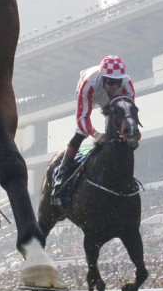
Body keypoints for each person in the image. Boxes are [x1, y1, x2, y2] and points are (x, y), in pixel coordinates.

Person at [52, 55, 137, 203]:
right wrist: (96, 134)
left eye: (117, 82)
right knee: (81, 132)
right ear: (103, 78)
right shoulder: (89, 83)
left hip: (113, 102)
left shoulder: (127, 85)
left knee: (116, 131)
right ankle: (62, 174)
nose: (115, 86)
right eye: (110, 82)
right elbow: (82, 118)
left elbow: (127, 114)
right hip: (91, 94)